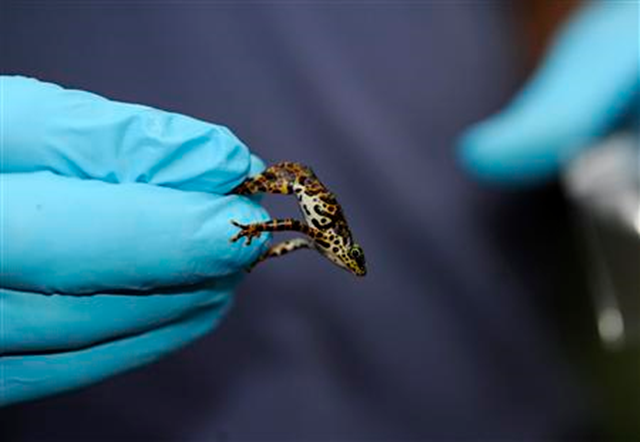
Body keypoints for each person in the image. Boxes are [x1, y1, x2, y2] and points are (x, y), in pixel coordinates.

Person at [2, 1, 637, 439]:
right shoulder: (312, 223)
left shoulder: (320, 236)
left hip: (497, 388)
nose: (346, 263)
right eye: (346, 260)